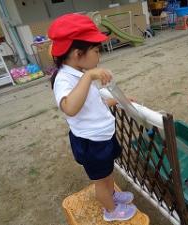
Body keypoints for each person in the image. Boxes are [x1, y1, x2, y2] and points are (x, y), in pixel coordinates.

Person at [48, 13, 137, 221]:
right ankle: (111, 211)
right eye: (96, 51)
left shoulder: (78, 74)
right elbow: (70, 108)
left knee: (107, 173)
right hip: (91, 142)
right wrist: (89, 76)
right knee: (100, 179)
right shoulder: (64, 78)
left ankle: (112, 195)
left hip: (102, 136)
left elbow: (91, 105)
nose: (99, 56)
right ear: (78, 53)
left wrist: (119, 101)